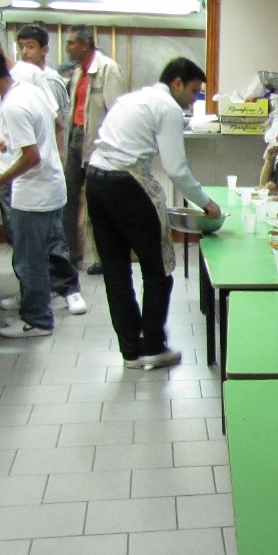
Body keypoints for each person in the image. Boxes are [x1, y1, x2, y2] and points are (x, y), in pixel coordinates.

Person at [85, 58, 222, 370]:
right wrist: (206, 203)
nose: (193, 99)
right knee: (158, 269)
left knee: (116, 270)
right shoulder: (168, 108)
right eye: (193, 91)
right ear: (177, 83)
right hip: (126, 184)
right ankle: (154, 346)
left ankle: (131, 351)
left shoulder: (133, 98)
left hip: (95, 180)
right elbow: (175, 167)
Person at [0, 29, 85, 317]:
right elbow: (8, 136)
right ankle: (32, 301)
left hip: (33, 188)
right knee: (28, 252)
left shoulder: (21, 94)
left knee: (37, 254)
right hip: (32, 185)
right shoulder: (13, 94)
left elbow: (33, 152)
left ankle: (39, 315)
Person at [0, 45, 67, 339]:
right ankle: (33, 312)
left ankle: (37, 320)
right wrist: (7, 141)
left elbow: (31, 156)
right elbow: (43, 129)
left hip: (33, 194)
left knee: (29, 260)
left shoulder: (12, 106)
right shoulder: (27, 91)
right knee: (35, 258)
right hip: (48, 187)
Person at [64, 25, 125, 272]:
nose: (68, 48)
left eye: (71, 43)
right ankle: (70, 252)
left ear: (85, 44)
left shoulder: (108, 69)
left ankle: (102, 256)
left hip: (98, 144)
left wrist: (111, 150)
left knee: (97, 203)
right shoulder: (78, 72)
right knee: (68, 197)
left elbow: (117, 113)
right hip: (76, 138)